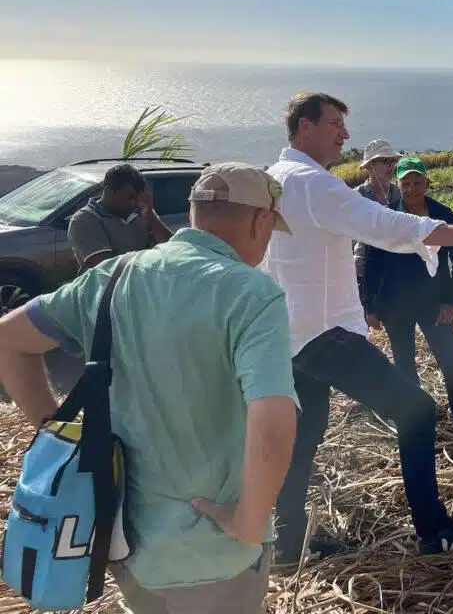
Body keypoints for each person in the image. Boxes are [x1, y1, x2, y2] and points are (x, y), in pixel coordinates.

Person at [0, 163, 299, 614]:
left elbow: (8, 339)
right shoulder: (252, 293)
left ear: (194, 212)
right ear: (260, 220)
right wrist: (249, 521)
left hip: (124, 543)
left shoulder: (113, 275)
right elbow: (274, 417)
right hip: (211, 555)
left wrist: (60, 435)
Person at [261, 92, 453, 566]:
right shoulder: (312, 183)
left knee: (304, 434)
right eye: (335, 124)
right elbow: (387, 225)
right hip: (324, 333)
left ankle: (286, 542)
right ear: (305, 127)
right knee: (417, 411)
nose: (345, 134)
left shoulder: (272, 178)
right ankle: (434, 531)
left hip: (288, 334)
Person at [362, 157, 453, 430]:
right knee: (404, 364)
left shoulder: (442, 216)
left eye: (417, 182)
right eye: (406, 183)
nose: (412, 188)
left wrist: (452, 301)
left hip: (435, 303)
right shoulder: (388, 218)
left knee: (450, 361)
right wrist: (370, 306)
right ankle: (417, 421)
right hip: (395, 305)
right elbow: (372, 263)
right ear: (398, 185)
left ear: (427, 183)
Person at [67, 163, 173, 271]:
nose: (133, 203)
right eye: (129, 197)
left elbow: (172, 249)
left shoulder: (143, 212)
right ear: (108, 191)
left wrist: (151, 216)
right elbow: (105, 268)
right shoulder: (84, 219)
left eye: (137, 197)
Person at [353, 139, 403, 280]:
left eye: (393, 161)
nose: (391, 166)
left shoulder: (399, 194)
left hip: (397, 264)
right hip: (366, 268)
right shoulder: (356, 197)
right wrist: (352, 260)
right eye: (385, 161)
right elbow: (344, 237)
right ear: (370, 166)